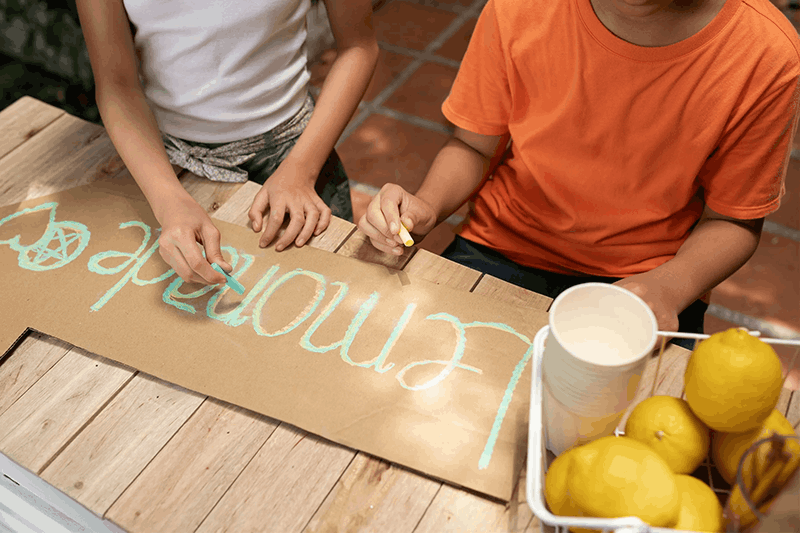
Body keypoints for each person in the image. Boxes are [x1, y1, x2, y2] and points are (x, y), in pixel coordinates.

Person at [358, 0, 800, 349]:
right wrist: (428, 204)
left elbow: (734, 219)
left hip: (653, 278)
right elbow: (473, 146)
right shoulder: (517, 8)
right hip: (500, 248)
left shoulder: (765, 53)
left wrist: (671, 286)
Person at [76, 0, 378, 285]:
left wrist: (301, 169)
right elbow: (116, 83)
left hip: (296, 158)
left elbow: (358, 47)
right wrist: (168, 200)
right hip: (161, 167)